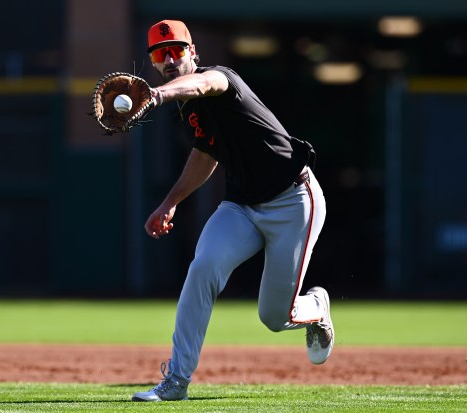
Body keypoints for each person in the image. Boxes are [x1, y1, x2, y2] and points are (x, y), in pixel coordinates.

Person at [131, 20, 334, 402]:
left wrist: (156, 95)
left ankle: (316, 307)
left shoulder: (220, 78)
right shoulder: (182, 112)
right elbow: (206, 154)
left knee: (275, 317)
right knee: (202, 268)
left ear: (194, 53)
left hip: (293, 199)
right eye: (162, 54)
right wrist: (169, 202)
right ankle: (176, 381)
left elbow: (203, 86)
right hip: (241, 205)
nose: (171, 58)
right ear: (155, 62)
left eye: (178, 50)